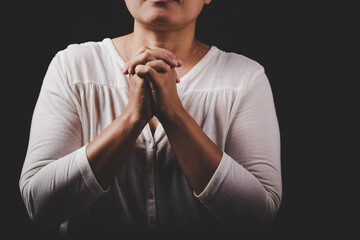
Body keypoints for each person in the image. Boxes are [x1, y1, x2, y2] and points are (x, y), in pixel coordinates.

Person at [19, 0, 282, 238]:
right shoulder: (72, 67)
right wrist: (132, 118)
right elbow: (39, 206)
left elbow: (258, 217)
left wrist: (175, 115)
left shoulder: (245, 79)